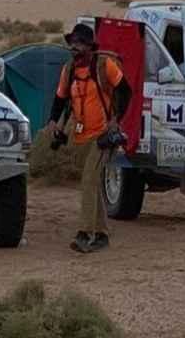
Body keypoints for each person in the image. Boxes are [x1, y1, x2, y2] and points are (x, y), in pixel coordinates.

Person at [47, 23, 132, 254]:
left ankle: (85, 234)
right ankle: (103, 234)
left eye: (80, 43)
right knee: (91, 184)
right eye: (72, 43)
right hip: (81, 136)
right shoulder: (69, 70)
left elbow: (125, 90)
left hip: (103, 136)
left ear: (89, 46)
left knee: (88, 181)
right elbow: (60, 99)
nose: (75, 47)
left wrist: (116, 120)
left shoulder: (105, 66)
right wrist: (55, 123)